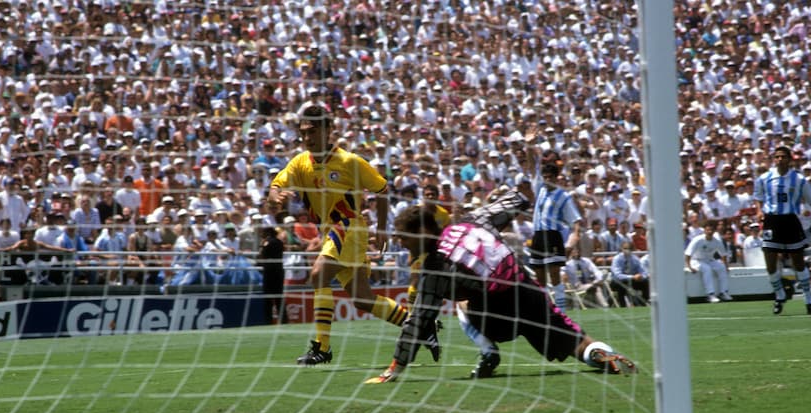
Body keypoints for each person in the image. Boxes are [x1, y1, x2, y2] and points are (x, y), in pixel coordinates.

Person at [366, 191, 635, 384]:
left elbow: (418, 323)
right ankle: (600, 353)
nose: (401, 244)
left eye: (403, 238)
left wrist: (394, 368)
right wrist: (502, 198)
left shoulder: (434, 268)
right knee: (571, 339)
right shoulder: (473, 220)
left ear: (422, 233)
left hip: (496, 315)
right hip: (527, 291)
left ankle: (488, 350)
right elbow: (516, 200)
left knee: (460, 300)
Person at [268, 102, 410, 365]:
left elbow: (382, 190)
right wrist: (276, 195)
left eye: (312, 132)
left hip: (348, 227)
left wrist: (381, 228)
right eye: (303, 133)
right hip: (331, 233)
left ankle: (322, 347)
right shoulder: (300, 163)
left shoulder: (349, 162)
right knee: (362, 299)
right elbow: (276, 185)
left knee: (318, 274)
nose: (307, 138)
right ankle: (417, 325)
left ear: (328, 129)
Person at [752, 145, 811, 315]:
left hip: (790, 220)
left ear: (790, 159)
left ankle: (808, 298)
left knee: (798, 262)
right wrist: (759, 211)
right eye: (777, 157)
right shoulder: (764, 178)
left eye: (783, 156)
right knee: (770, 262)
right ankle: (780, 294)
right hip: (772, 221)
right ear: (773, 159)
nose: (780, 159)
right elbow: (758, 199)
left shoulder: (799, 180)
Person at [528, 150, 582, 312]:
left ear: (556, 177)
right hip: (537, 236)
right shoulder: (540, 190)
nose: (546, 179)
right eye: (545, 176)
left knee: (555, 275)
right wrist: (529, 145)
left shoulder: (563, 196)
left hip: (552, 236)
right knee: (540, 278)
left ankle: (561, 311)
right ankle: (544, 311)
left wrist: (571, 243)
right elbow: (531, 166)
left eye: (550, 176)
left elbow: (576, 222)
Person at [684, 220, 733, 303]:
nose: (710, 232)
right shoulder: (697, 240)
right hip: (696, 260)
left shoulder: (716, 241)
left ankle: (723, 292)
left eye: (711, 230)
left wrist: (726, 266)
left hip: (709, 260)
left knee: (722, 267)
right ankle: (710, 294)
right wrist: (689, 266)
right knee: (707, 269)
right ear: (704, 230)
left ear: (714, 231)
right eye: (708, 230)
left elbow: (723, 254)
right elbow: (688, 254)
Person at [258, 226, 286, 323]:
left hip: (269, 272)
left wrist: (262, 246)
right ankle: (284, 320)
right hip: (279, 271)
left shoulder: (267, 242)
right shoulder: (280, 242)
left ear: (268, 234)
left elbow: (261, 255)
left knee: (268, 298)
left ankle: (268, 320)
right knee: (279, 297)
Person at [609, 241, 650, 307]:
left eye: (629, 248)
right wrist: (633, 277)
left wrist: (641, 276)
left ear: (632, 249)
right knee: (621, 283)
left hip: (631, 281)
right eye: (625, 248)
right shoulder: (617, 259)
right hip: (617, 282)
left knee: (645, 282)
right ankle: (623, 305)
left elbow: (644, 272)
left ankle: (642, 303)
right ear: (621, 248)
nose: (627, 250)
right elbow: (618, 275)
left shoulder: (635, 259)